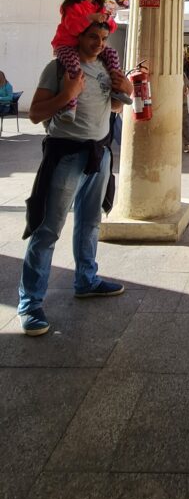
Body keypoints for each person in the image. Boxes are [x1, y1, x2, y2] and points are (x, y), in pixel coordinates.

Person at [17, 22, 133, 336]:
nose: (99, 43)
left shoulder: (107, 69)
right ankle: (30, 303)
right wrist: (67, 95)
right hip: (65, 154)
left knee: (90, 222)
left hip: (99, 153)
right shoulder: (57, 68)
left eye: (104, 38)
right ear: (78, 36)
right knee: (47, 229)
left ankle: (86, 280)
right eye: (93, 36)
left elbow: (115, 107)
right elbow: (35, 113)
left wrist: (127, 90)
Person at [51, 0, 130, 121]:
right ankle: (70, 105)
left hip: (89, 46)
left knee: (112, 54)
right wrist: (90, 18)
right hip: (67, 45)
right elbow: (73, 28)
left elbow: (111, 28)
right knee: (74, 69)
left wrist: (106, 19)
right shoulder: (71, 7)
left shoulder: (99, 7)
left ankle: (117, 89)